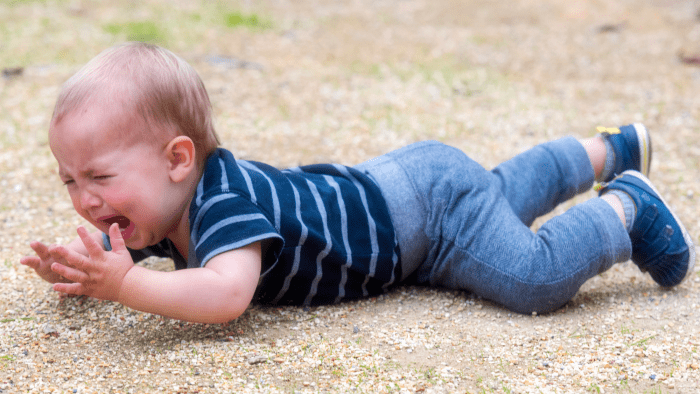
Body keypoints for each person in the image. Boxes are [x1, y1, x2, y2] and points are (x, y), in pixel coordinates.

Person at [21, 42, 695, 323]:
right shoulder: (165, 208)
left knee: (530, 277)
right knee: (499, 191)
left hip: (422, 223)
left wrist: (128, 287)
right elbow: (141, 263)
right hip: (409, 190)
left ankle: (622, 211)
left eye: (101, 177)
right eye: (70, 181)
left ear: (177, 160)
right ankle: (606, 149)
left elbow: (225, 295)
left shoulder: (222, 202)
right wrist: (94, 273)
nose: (84, 199)